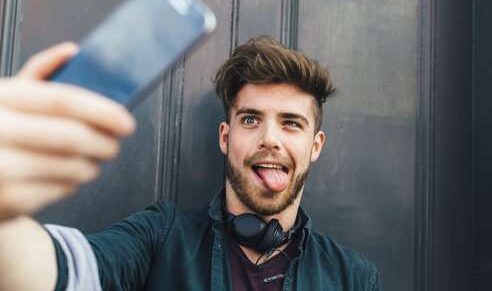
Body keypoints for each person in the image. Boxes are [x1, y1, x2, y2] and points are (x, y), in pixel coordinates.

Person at [0, 36, 381, 290]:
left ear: (315, 146)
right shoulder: (161, 236)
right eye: (250, 119)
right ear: (225, 137)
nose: (270, 138)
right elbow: (59, 273)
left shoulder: (354, 278)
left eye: (291, 123)